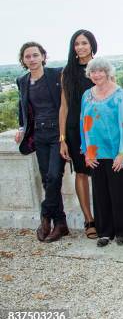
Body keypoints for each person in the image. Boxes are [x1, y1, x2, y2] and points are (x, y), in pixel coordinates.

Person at [80, 57, 123, 247]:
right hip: (96, 153)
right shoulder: (86, 95)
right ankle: (104, 232)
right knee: (100, 193)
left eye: (100, 71)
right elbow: (84, 124)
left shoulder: (119, 94)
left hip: (116, 152)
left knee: (120, 192)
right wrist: (87, 153)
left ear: (107, 73)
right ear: (90, 75)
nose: (97, 75)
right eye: (93, 72)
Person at [15, 42, 68, 242]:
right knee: (47, 180)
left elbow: (65, 105)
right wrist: (22, 128)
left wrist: (65, 136)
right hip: (38, 135)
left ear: (43, 56)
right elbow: (23, 108)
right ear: (23, 60)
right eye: (27, 56)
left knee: (54, 176)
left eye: (35, 55)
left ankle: (46, 215)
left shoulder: (56, 74)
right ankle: (60, 223)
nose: (32, 59)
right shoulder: (22, 80)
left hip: (57, 133)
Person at [59, 29, 97, 239]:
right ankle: (89, 219)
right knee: (81, 173)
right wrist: (62, 138)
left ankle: (106, 217)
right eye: (76, 44)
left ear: (92, 44)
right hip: (75, 129)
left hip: (97, 130)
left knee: (100, 173)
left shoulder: (99, 68)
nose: (80, 47)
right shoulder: (67, 71)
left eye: (84, 43)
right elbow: (63, 107)